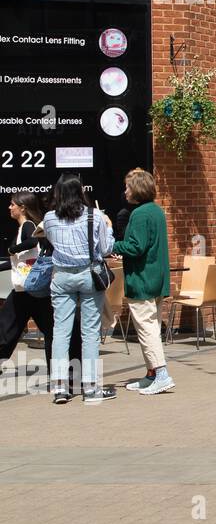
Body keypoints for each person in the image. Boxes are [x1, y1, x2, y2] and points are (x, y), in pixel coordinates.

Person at [43, 174, 115, 405]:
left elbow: (51, 243)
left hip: (62, 275)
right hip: (88, 275)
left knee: (60, 332)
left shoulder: (49, 219)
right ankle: (91, 388)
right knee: (90, 333)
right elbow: (105, 249)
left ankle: (60, 388)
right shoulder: (95, 216)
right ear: (80, 192)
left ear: (58, 193)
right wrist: (109, 228)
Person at [112, 169, 174, 395]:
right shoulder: (156, 211)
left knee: (147, 330)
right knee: (153, 327)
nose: (125, 191)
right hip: (156, 278)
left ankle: (161, 374)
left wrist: (112, 246)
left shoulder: (139, 214)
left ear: (137, 189)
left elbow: (136, 247)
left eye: (128, 187)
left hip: (142, 279)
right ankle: (151, 375)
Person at [0, 192, 55, 369]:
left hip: (30, 289)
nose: (10, 207)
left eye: (12, 204)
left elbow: (32, 242)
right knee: (8, 329)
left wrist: (11, 249)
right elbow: (20, 260)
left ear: (22, 207)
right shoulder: (25, 226)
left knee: (7, 329)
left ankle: (58, 373)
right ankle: (57, 373)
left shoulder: (28, 225)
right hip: (28, 290)